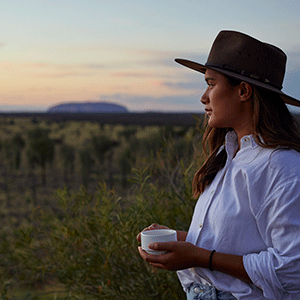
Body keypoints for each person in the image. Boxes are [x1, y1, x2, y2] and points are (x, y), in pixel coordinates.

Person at [136, 30, 300, 300]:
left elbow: (292, 271)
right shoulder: (228, 155)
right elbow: (239, 242)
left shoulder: (282, 167)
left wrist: (200, 256)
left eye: (211, 84)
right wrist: (181, 240)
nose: (204, 97)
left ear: (244, 91)